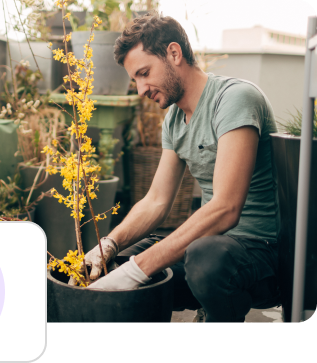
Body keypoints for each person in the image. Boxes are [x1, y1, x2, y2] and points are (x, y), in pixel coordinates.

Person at [74, 11, 282, 323]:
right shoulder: (173, 120)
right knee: (122, 260)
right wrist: (109, 245)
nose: (141, 89)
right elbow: (156, 200)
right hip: (212, 244)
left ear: (174, 53)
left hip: (260, 252)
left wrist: (140, 269)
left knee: (201, 260)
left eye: (144, 73)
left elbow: (226, 208)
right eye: (135, 80)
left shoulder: (235, 99)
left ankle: (217, 312)